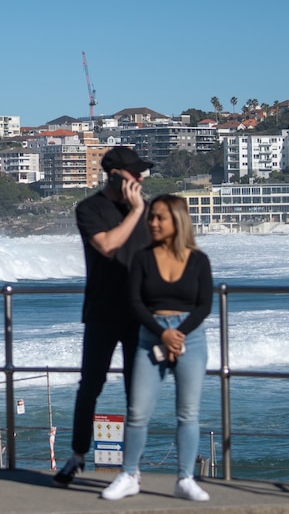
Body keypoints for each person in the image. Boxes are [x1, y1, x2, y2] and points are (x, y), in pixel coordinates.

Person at [100, 194, 213, 502]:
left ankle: (185, 478)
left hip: (191, 337)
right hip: (150, 337)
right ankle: (129, 474)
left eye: (159, 217)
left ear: (177, 221)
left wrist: (178, 334)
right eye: (151, 217)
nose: (153, 222)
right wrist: (162, 334)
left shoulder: (198, 259)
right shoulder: (142, 257)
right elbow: (135, 303)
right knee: (137, 412)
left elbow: (204, 305)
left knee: (188, 413)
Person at [54, 146, 153, 487]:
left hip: (139, 312)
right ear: (114, 175)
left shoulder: (146, 209)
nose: (141, 178)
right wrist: (136, 210)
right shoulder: (89, 209)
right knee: (90, 386)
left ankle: (132, 466)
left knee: (135, 390)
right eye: (134, 172)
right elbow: (109, 245)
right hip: (101, 311)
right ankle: (78, 454)